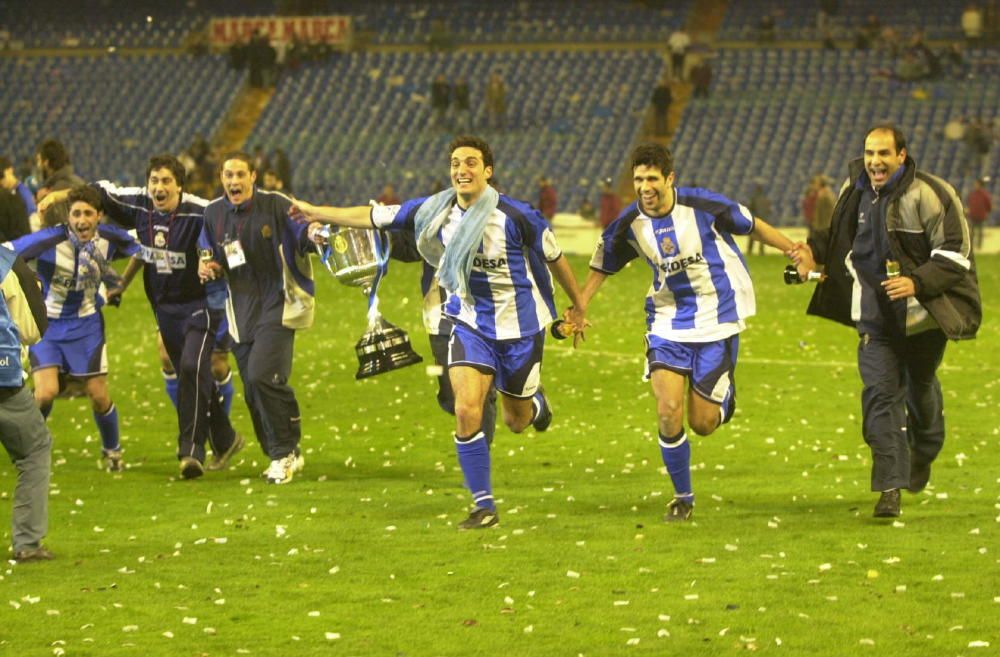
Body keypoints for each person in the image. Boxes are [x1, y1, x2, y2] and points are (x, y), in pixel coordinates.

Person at [291, 135, 587, 530]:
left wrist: (578, 305)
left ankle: (536, 405)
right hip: (468, 322)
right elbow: (372, 216)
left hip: (520, 329)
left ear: (488, 171)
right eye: (455, 163)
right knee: (467, 407)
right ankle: (484, 506)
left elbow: (555, 258)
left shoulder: (518, 217)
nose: (461, 170)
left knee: (516, 420)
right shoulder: (434, 210)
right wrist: (316, 211)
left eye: (470, 163)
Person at [579, 143, 804, 523]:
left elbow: (750, 223)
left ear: (670, 179)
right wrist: (580, 304)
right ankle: (682, 497)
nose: (645, 186)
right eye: (638, 179)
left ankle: (723, 396)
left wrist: (792, 249)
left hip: (718, 319)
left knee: (702, 424)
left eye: (652, 178)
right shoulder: (630, 221)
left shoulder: (703, 205)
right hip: (667, 321)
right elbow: (604, 261)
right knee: (668, 410)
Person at [794, 124, 981, 519]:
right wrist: (811, 251)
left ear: (901, 155)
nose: (875, 161)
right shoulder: (854, 191)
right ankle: (890, 488)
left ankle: (925, 448)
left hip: (922, 320)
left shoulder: (932, 193)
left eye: (883, 154)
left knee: (921, 385)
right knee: (881, 396)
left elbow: (957, 253)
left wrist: (917, 282)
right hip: (874, 320)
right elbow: (835, 237)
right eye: (869, 153)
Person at [39, 155, 245, 478]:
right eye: (154, 181)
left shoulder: (201, 211)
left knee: (192, 367)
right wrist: (59, 196)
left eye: (166, 181)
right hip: (164, 309)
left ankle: (190, 453)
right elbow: (98, 192)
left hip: (201, 306)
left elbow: (232, 235)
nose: (159, 187)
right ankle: (226, 437)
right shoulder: (139, 205)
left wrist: (221, 264)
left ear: (179, 185)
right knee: (192, 375)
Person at [197, 152, 315, 485]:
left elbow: (303, 229)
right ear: (221, 178)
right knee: (253, 390)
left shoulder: (275, 205)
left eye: (239, 175)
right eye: (228, 175)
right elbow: (208, 250)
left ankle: (283, 455)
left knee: (264, 376)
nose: (234, 181)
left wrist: (315, 235)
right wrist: (206, 264)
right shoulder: (213, 213)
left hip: (279, 303)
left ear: (253, 176)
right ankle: (282, 447)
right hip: (240, 312)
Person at [6, 186, 139, 471]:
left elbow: (145, 246)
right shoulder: (47, 240)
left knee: (99, 394)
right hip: (48, 326)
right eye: (76, 213)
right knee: (44, 393)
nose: (81, 220)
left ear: (99, 216)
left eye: (88, 214)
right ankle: (30, 446)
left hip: (87, 325)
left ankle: (112, 450)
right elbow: (8, 252)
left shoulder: (110, 240)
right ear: (68, 216)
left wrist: (119, 285)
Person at [0, 245, 54, 561]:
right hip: (4, 380)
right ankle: (27, 543)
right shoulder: (6, 262)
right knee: (34, 450)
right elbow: (32, 330)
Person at [34, 139, 84, 228]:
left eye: (39, 160)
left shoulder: (61, 187)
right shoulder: (74, 181)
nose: (38, 165)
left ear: (46, 162)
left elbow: (56, 228)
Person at [746, 184, 773, 255]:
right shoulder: (766, 199)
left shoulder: (754, 199)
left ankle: (749, 251)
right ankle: (761, 251)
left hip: (756, 220)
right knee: (762, 237)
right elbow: (769, 211)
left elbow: (750, 209)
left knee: (752, 236)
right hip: (764, 220)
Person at [967, 178, 992, 252]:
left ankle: (979, 247)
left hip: (981, 216)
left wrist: (986, 212)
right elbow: (970, 203)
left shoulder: (985, 195)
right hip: (973, 216)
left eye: (976, 184)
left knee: (980, 232)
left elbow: (988, 205)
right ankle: (972, 246)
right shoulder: (972, 194)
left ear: (980, 185)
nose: (975, 185)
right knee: (972, 233)